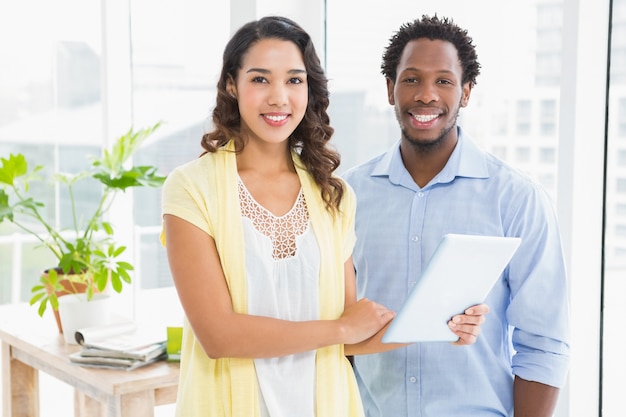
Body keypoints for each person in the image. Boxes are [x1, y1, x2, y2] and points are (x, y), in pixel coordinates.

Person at [160, 15, 487, 417]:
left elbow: (349, 337)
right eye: (260, 79)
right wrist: (340, 329)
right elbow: (219, 335)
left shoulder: (332, 194)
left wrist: (439, 323)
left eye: (294, 80)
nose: (279, 97)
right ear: (232, 84)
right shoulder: (191, 188)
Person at [342, 14, 571, 417]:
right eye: (411, 79)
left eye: (444, 81)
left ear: (466, 93)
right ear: (390, 89)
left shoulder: (517, 199)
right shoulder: (348, 196)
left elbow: (543, 343)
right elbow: (331, 327)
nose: (426, 95)